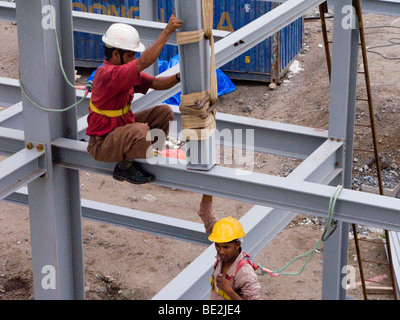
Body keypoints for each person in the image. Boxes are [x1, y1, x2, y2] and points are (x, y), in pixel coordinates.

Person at [86, 15, 182, 184]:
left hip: (120, 129)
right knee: (141, 131)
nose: (134, 60)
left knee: (164, 113)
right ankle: (124, 167)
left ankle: (144, 153)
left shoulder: (122, 73)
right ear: (116, 54)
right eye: (130, 55)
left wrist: (179, 77)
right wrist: (167, 31)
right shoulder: (109, 74)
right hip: (101, 143)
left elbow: (156, 83)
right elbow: (145, 61)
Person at [209, 217, 261, 300]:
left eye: (226, 247)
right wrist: (206, 203)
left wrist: (229, 291)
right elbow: (209, 221)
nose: (221, 251)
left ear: (237, 245)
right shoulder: (223, 256)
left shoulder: (245, 274)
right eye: (217, 246)